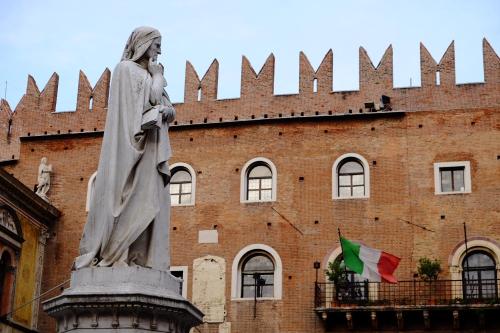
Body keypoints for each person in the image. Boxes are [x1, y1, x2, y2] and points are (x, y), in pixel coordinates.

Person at [75, 27, 175, 271]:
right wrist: (157, 78)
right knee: (131, 201)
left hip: (151, 148)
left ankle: (140, 258)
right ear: (142, 43)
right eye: (156, 44)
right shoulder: (125, 70)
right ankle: (118, 253)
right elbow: (150, 101)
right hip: (131, 149)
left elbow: (168, 109)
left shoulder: (150, 73)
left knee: (152, 202)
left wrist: (162, 105)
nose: (160, 50)